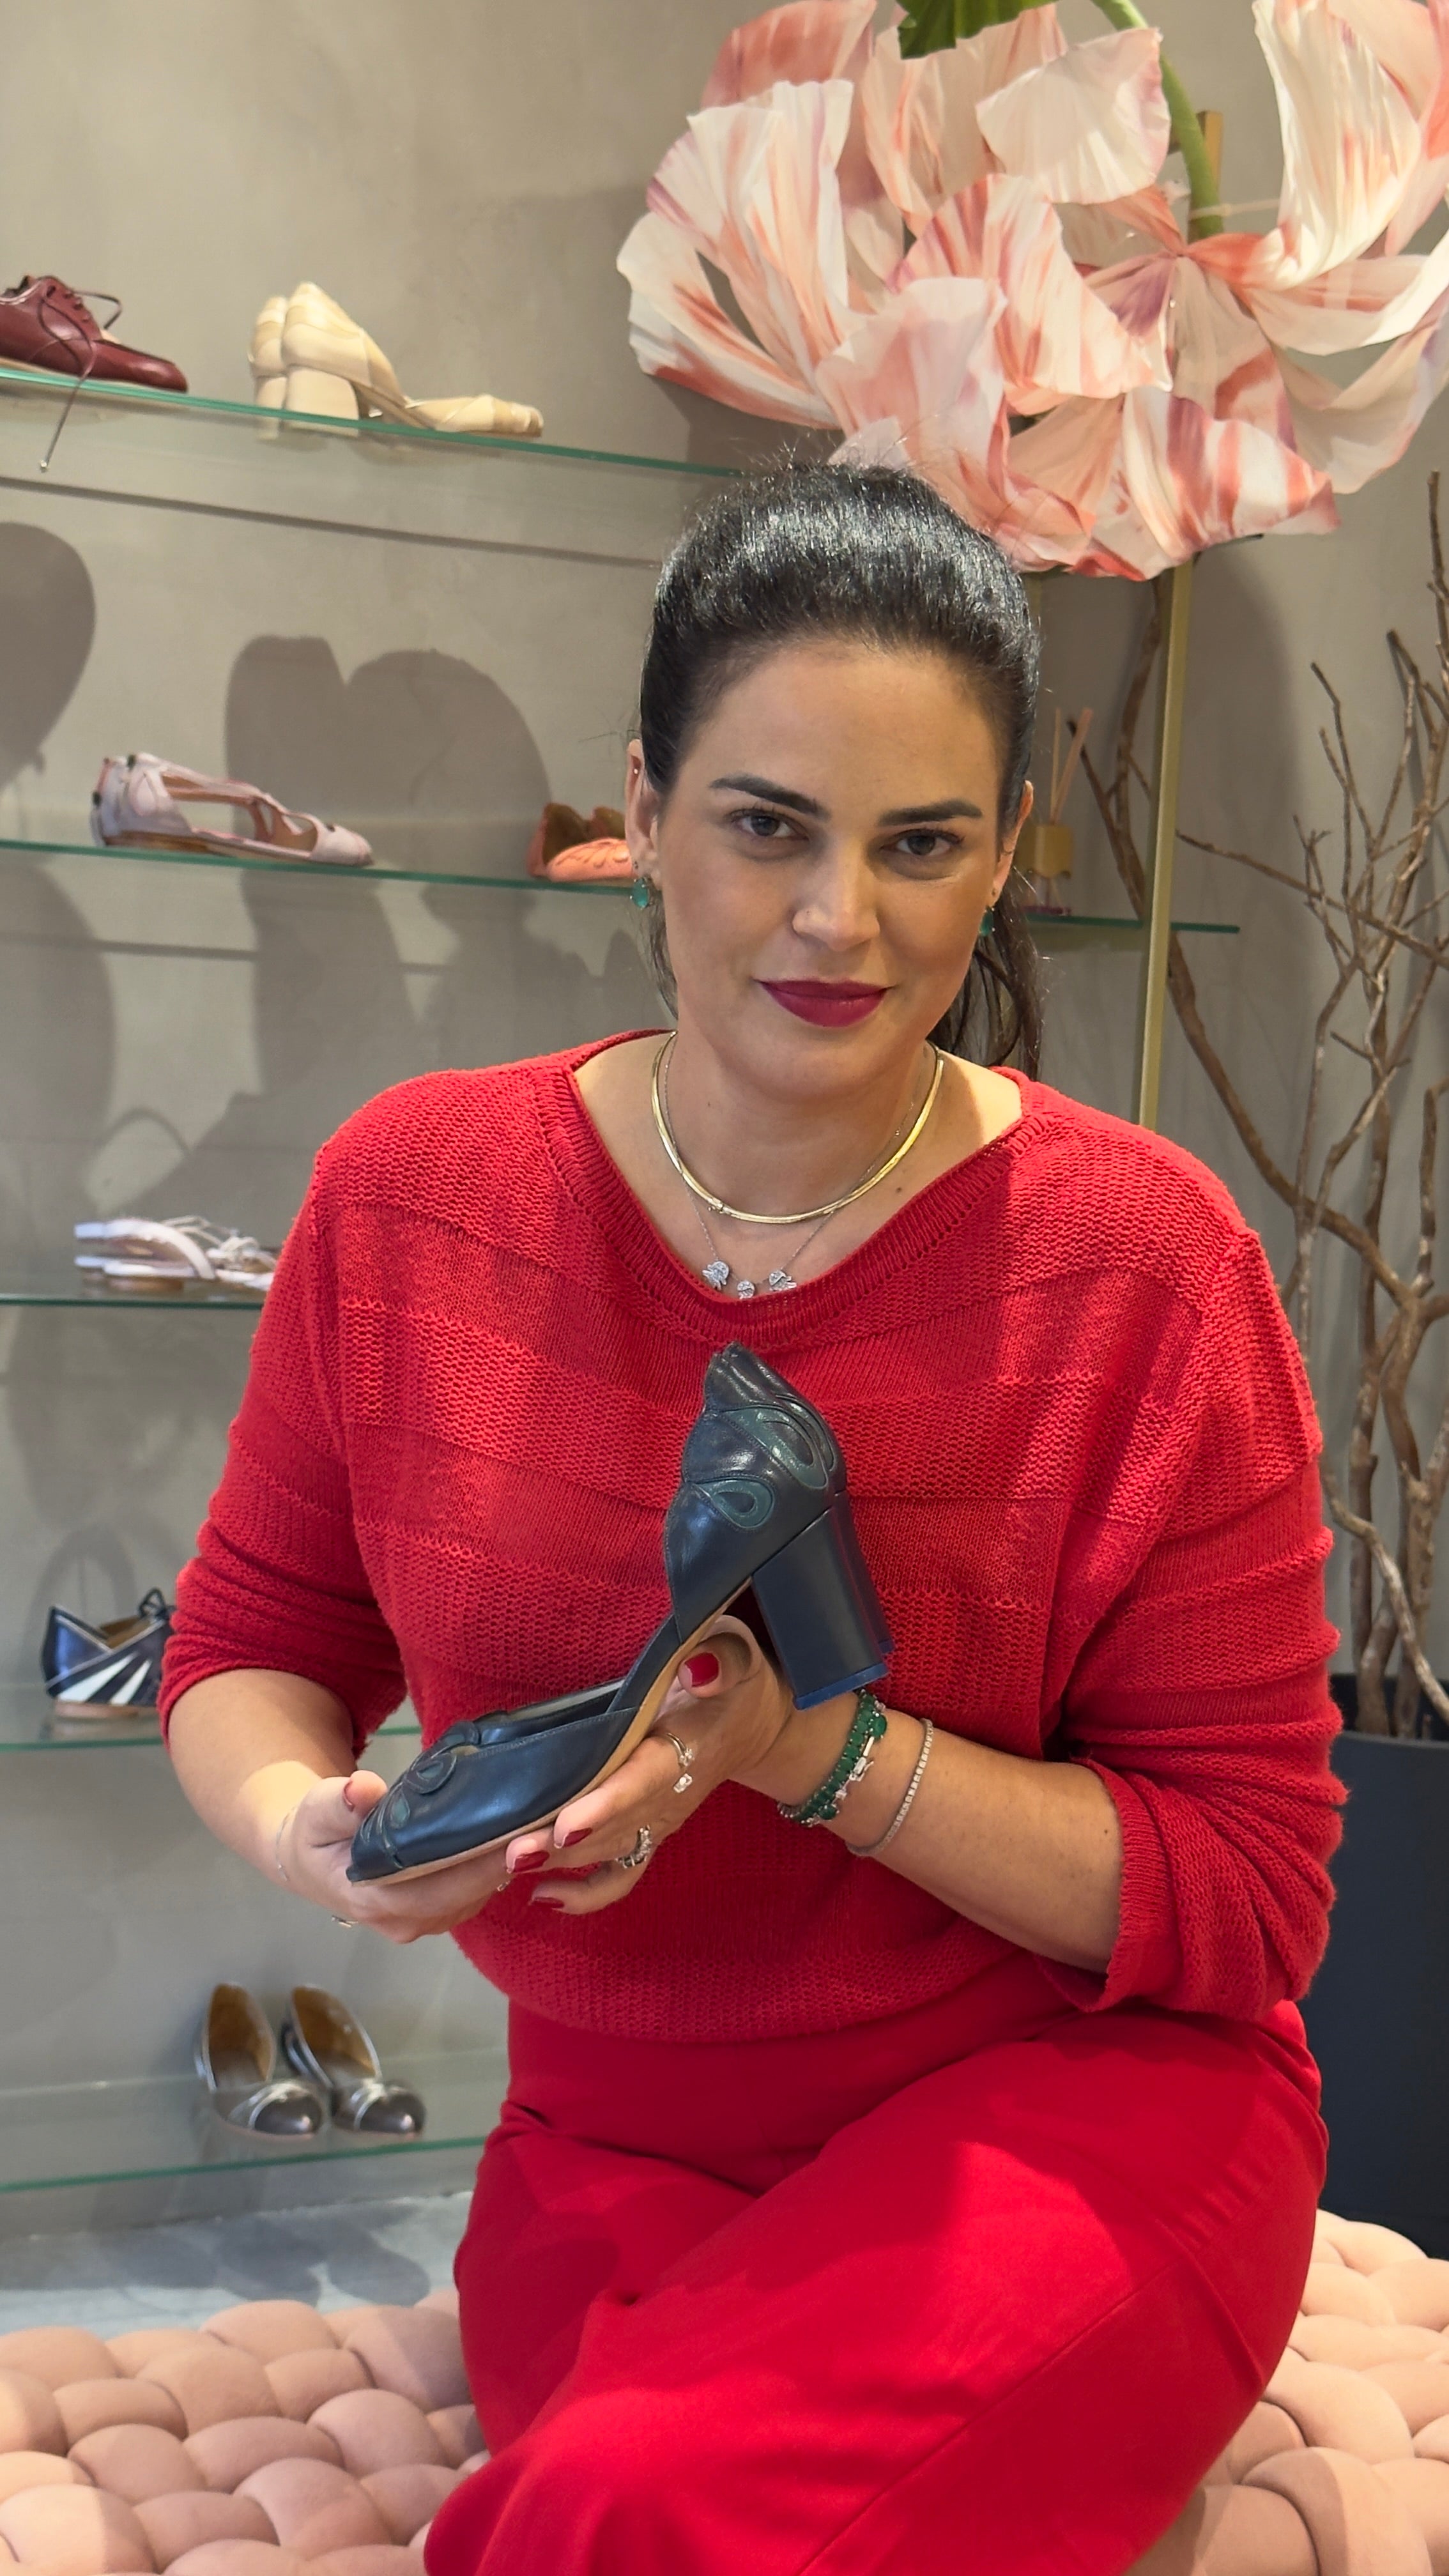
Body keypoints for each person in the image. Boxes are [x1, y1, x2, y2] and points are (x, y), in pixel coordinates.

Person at [163, 465, 1343, 2575]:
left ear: (1006, 853)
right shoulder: (416, 1198)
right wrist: (307, 1830)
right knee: (620, 2510)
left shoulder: (1142, 1269)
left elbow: (1246, 1897)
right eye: (767, 826)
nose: (837, 921)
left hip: (1075, 2112)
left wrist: (809, 1751)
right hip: (615, 2140)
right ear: (644, 805)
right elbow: (252, 1643)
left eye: (921, 845)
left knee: (628, 2513)